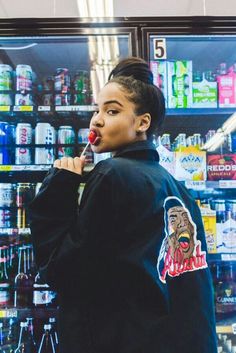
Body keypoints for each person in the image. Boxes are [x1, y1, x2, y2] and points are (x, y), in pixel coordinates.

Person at [29, 57, 217, 353]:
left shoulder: (112, 174)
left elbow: (64, 271)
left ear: (143, 122)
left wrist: (58, 187)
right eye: (97, 109)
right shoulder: (177, 189)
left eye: (112, 110)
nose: (97, 120)